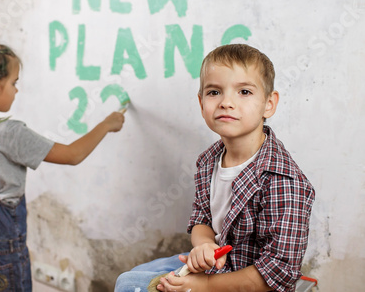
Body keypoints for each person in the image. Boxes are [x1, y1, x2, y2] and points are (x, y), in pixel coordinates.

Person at [0, 39, 125, 292]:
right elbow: (73, 155)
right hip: (0, 256)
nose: (16, 90)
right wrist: (106, 124)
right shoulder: (9, 133)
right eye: (14, 83)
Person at [115, 44, 315, 292]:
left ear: (269, 104)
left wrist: (206, 284)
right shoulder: (208, 160)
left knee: (129, 286)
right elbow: (201, 220)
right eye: (214, 92)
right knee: (131, 276)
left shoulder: (283, 181)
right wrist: (204, 245)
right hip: (214, 268)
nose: (226, 102)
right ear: (201, 103)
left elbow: (278, 272)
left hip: (245, 282)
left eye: (244, 91)